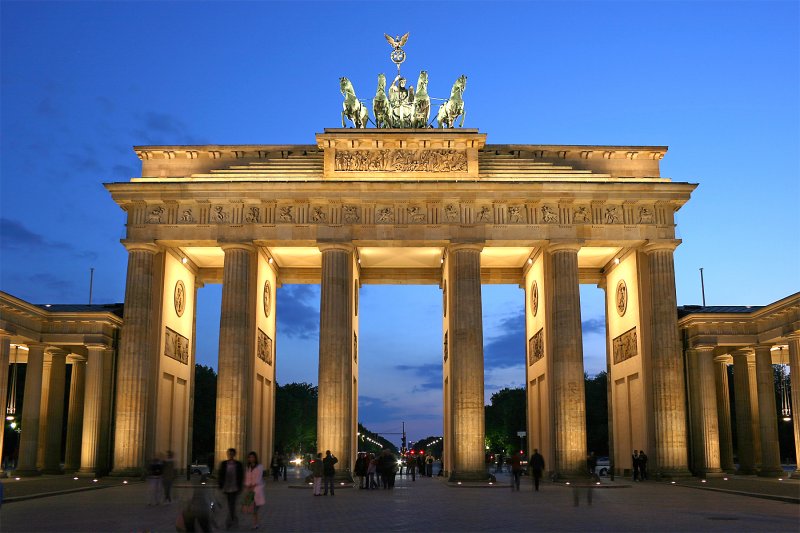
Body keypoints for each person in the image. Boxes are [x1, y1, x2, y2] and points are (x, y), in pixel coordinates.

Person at [217, 448, 244, 529]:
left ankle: (231, 520)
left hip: (235, 487)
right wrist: (220, 485)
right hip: (226, 487)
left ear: (234, 454)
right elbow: (220, 474)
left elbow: (241, 476)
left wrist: (240, 486)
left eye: (232, 453)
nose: (230, 455)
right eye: (229, 453)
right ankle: (232, 519)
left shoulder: (238, 464)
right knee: (230, 504)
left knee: (231, 504)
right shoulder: (224, 463)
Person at [244, 451, 265, 530]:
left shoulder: (259, 467)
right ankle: (255, 522)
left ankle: (255, 523)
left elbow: (259, 478)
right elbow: (247, 478)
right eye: (250, 457)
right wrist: (247, 485)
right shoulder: (248, 467)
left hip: (257, 489)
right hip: (249, 489)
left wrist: (253, 485)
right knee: (252, 508)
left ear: (255, 458)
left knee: (255, 508)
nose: (251, 459)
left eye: (253, 457)